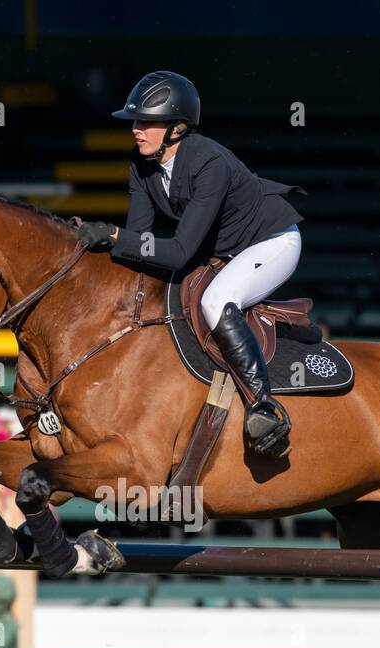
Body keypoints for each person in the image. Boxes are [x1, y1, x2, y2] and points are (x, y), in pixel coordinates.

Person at [76, 71, 305, 458]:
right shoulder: (143, 164)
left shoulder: (209, 162)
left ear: (177, 128)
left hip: (272, 242)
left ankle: (263, 406)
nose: (136, 130)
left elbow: (178, 252)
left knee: (215, 302)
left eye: (147, 122)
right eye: (136, 121)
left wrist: (113, 235)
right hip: (220, 250)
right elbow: (140, 239)